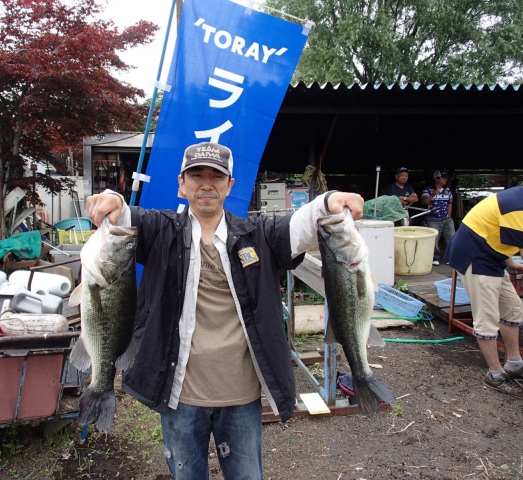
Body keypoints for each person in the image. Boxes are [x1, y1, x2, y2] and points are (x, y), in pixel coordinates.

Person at [85, 141, 364, 479]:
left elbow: (301, 226)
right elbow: (125, 218)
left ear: (230, 185)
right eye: (196, 175)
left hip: (241, 396)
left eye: (216, 176)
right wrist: (114, 199)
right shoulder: (161, 231)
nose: (206, 183)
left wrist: (328, 201)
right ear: (181, 184)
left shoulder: (257, 234)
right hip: (179, 396)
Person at [446, 186, 523, 398]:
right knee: (487, 318)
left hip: (493, 254)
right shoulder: (518, 209)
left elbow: (497, 228)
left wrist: (510, 261)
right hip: (476, 255)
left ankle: (515, 364)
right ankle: (495, 375)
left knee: (514, 309)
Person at [421, 170, 455, 266]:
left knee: (451, 237)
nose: (446, 180)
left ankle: (450, 257)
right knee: (434, 240)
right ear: (436, 179)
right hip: (432, 219)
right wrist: (433, 194)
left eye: (446, 178)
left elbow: (450, 204)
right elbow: (424, 201)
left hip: (446, 219)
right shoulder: (428, 190)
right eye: (443, 178)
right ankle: (435, 257)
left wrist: (449, 216)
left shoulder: (448, 190)